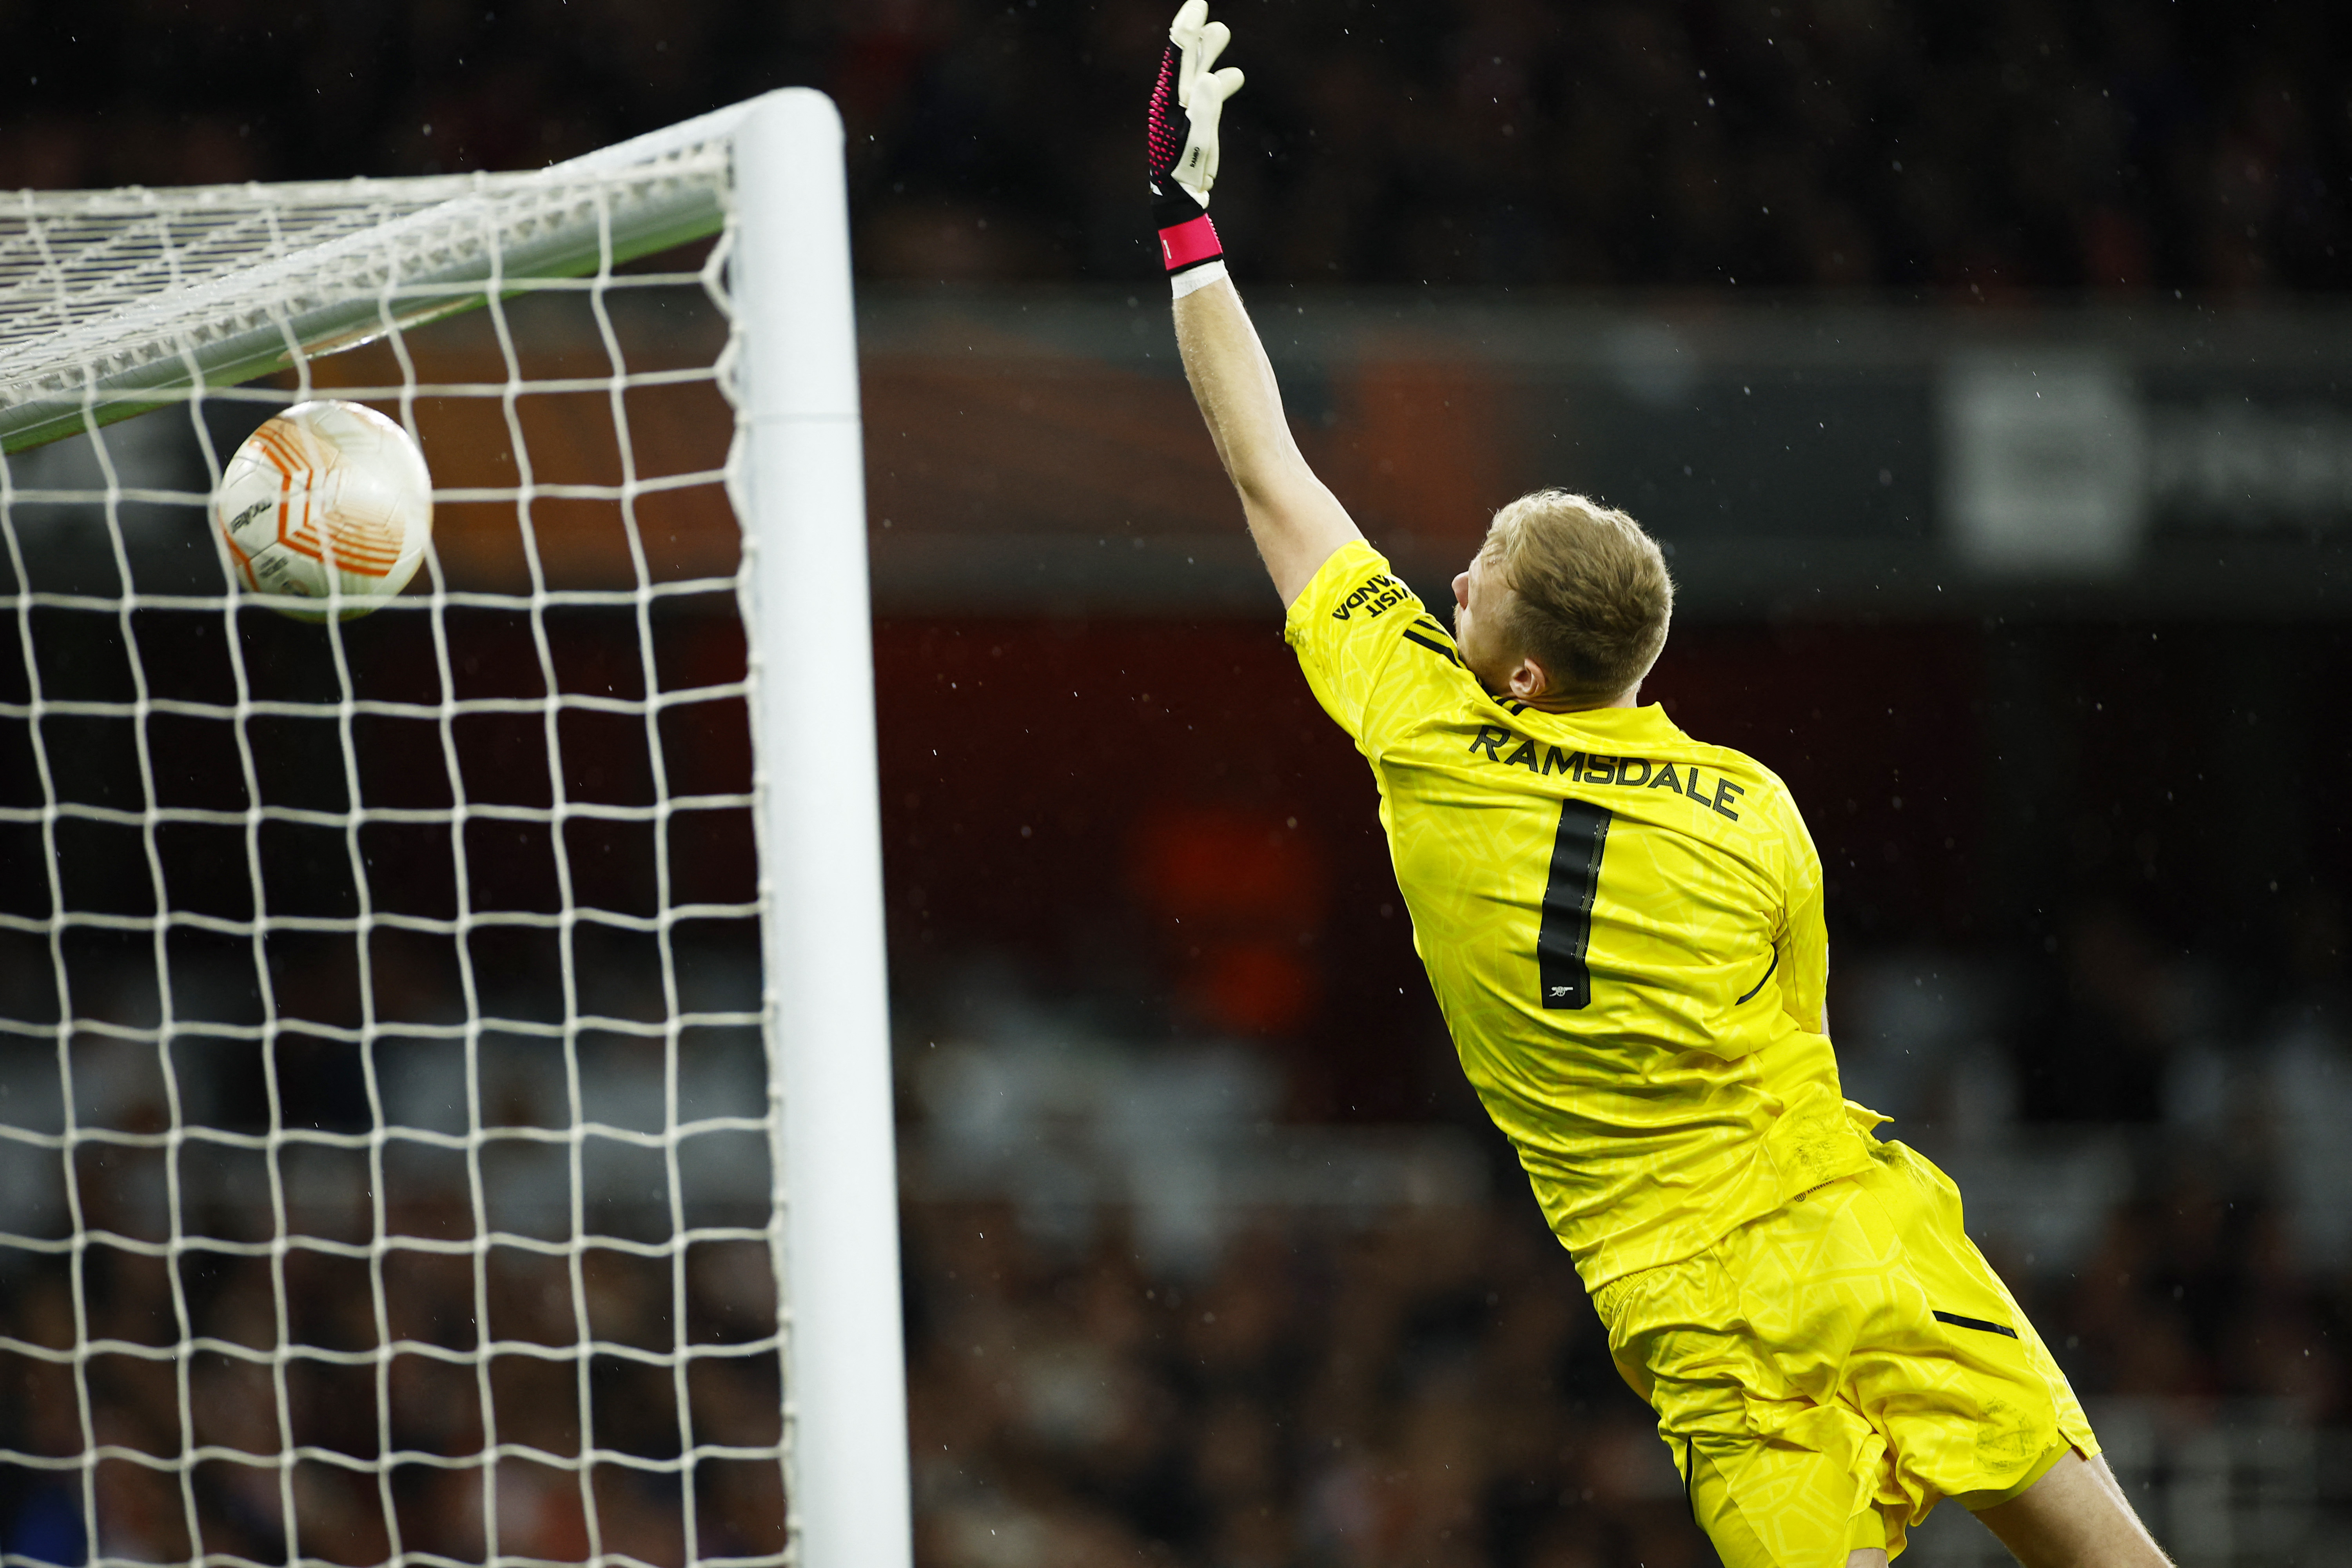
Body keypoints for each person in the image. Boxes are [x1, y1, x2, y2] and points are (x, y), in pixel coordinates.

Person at [1145, 6, 2174, 1565]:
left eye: (1477, 578)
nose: (1451, 575)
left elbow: (1270, 467)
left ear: (1523, 678)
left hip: (1692, 1301)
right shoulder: (1756, 806)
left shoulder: (1419, 729)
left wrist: (1187, 228)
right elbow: (1803, 1035)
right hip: (1859, 1225)